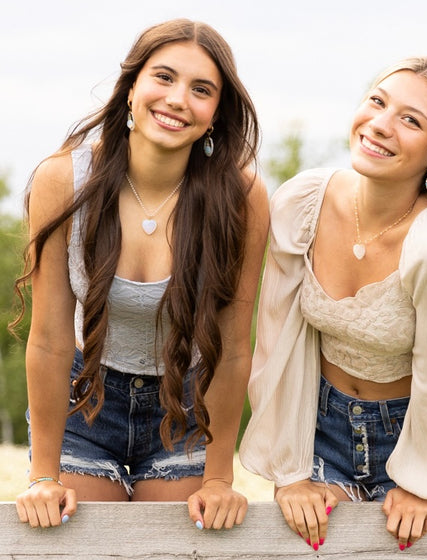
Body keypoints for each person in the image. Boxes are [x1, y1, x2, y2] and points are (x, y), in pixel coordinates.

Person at [239, 57, 427, 552]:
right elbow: (278, 342)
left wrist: (426, 483)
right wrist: (290, 471)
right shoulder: (301, 203)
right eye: (377, 102)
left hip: (415, 438)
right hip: (320, 434)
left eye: (410, 120)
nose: (380, 124)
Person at [13, 19, 269, 530]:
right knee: (77, 536)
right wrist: (43, 474)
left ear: (216, 114)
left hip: (186, 402)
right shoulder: (63, 179)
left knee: (178, 540)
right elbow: (49, 339)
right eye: (164, 78)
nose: (178, 99)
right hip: (85, 399)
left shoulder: (241, 199)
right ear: (131, 88)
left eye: (201, 90)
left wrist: (219, 478)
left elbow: (234, 345)